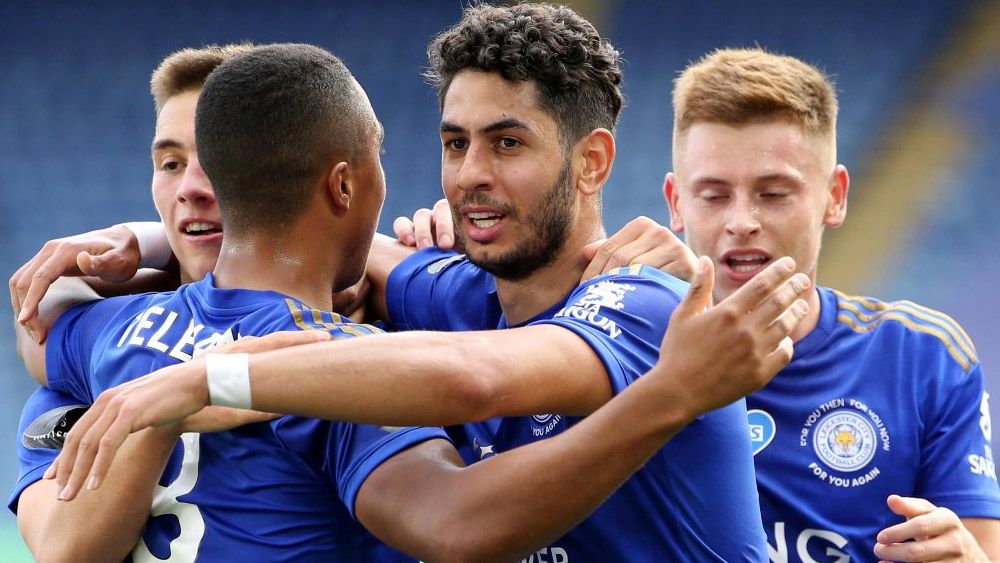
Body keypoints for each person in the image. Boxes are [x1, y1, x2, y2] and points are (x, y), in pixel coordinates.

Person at [44, 5, 812, 561]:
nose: (470, 174)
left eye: (506, 143)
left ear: (593, 162)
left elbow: (474, 380)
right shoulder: (453, 294)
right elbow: (315, 235)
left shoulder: (645, 301)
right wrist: (150, 239)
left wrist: (208, 376)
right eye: (454, 143)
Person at [662, 48, 1000, 561]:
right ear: (676, 203)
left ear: (835, 196)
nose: (741, 222)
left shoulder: (925, 358)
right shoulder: (622, 352)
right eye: (713, 195)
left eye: (774, 194)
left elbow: (981, 551)